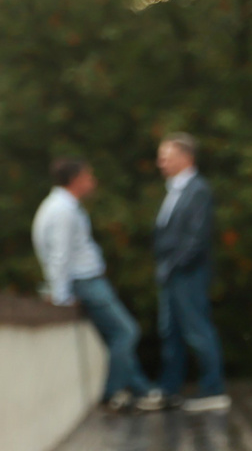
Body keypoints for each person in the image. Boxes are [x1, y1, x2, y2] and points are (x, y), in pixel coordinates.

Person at [32, 158, 163, 412]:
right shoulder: (62, 210)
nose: (92, 181)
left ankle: (142, 389)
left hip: (87, 280)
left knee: (117, 336)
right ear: (75, 179)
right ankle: (113, 393)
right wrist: (60, 297)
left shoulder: (62, 206)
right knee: (126, 332)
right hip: (85, 282)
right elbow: (59, 256)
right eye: (88, 176)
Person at [152, 132, 228, 412]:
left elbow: (196, 238)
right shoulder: (175, 189)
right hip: (172, 272)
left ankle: (213, 389)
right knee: (170, 332)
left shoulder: (197, 190)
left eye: (167, 157)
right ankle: (169, 389)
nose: (161, 162)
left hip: (188, 272)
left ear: (186, 158)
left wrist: (173, 265)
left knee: (197, 329)